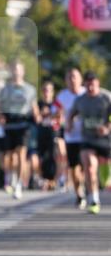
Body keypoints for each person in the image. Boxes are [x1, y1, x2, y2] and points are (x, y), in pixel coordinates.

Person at [67, 71, 111, 215]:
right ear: (84, 84)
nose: (91, 88)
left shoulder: (106, 97)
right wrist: (69, 124)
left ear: (98, 83)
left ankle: (104, 181)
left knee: (106, 178)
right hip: (88, 138)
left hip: (105, 139)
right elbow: (71, 114)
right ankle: (94, 200)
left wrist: (107, 128)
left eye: (93, 84)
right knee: (90, 167)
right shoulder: (80, 100)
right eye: (88, 85)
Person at [0, 60, 39, 200]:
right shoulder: (5, 89)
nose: (16, 72)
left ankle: (19, 185)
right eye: (13, 70)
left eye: (18, 70)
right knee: (9, 157)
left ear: (23, 72)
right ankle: (11, 176)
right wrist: (0, 116)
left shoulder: (30, 89)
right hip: (9, 124)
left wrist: (37, 116)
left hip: (23, 124)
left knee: (21, 154)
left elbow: (34, 106)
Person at [56, 67, 87, 208]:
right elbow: (56, 115)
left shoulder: (87, 93)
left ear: (80, 79)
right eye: (69, 77)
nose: (72, 80)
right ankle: (79, 194)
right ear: (66, 81)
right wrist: (63, 121)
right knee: (74, 167)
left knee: (87, 165)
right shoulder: (61, 97)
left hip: (87, 136)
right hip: (71, 137)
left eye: (75, 76)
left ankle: (87, 187)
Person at [35, 80, 62, 190]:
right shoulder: (39, 104)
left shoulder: (56, 104)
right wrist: (42, 113)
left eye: (49, 90)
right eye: (45, 90)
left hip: (53, 132)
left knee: (53, 156)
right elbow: (37, 118)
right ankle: (44, 179)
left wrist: (52, 114)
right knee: (41, 156)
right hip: (41, 131)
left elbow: (60, 118)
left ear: (52, 92)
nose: (47, 92)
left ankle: (53, 180)